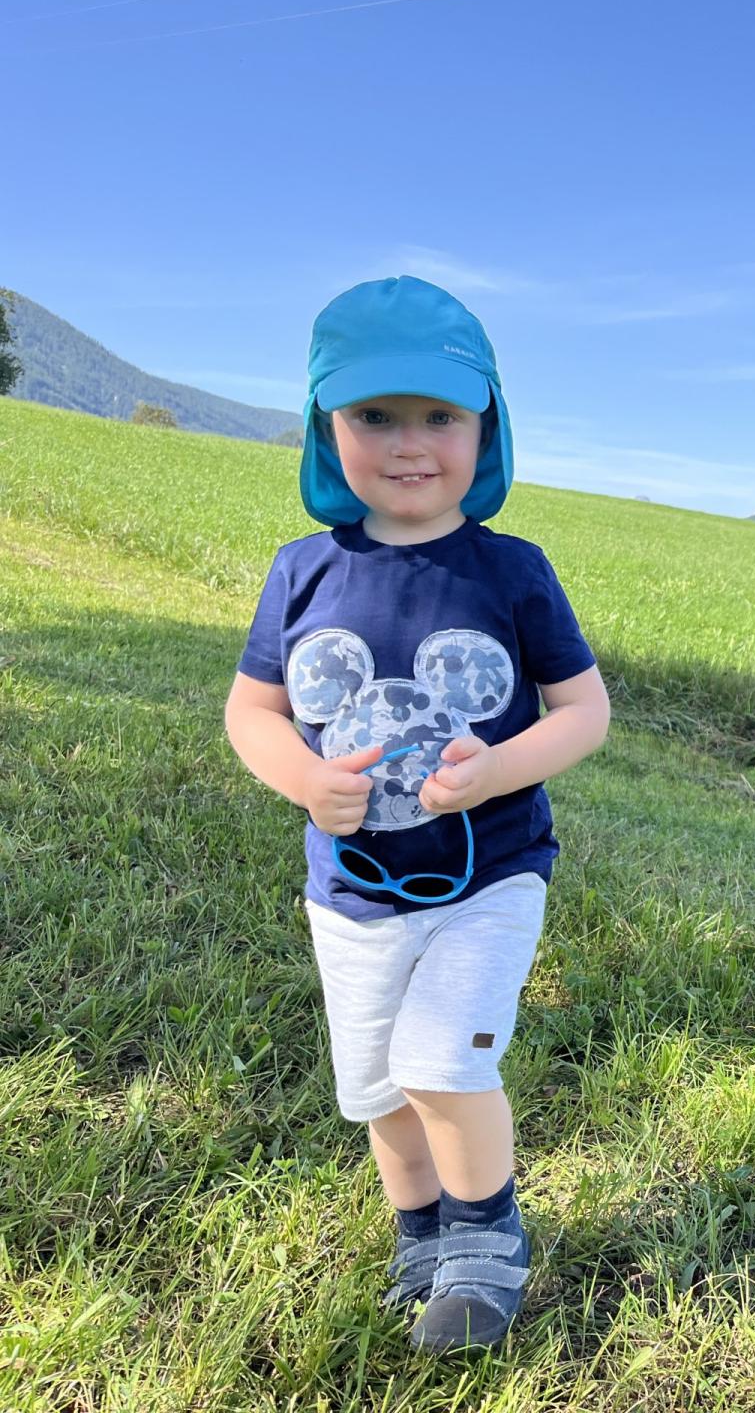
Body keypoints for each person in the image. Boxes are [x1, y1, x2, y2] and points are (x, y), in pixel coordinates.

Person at [224, 276, 610, 1353]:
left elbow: (585, 712)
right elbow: (251, 711)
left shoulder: (511, 572)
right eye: (374, 415)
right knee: (378, 1089)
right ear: (326, 429)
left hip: (490, 877)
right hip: (351, 894)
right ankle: (422, 1232)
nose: (408, 444)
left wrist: (497, 771)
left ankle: (488, 1240)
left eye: (440, 414)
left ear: (486, 429)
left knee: (443, 1061)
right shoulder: (302, 573)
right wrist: (305, 781)